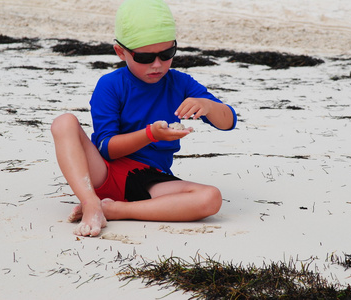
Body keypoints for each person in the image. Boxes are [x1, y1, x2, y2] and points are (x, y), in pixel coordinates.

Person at [51, 0, 237, 237]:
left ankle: (116, 210)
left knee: (211, 198)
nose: (157, 65)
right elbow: (106, 148)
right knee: (64, 122)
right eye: (144, 57)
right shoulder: (111, 85)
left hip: (149, 181)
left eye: (167, 54)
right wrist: (150, 135)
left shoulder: (180, 83)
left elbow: (228, 121)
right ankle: (90, 203)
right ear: (121, 52)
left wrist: (208, 106)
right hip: (103, 172)